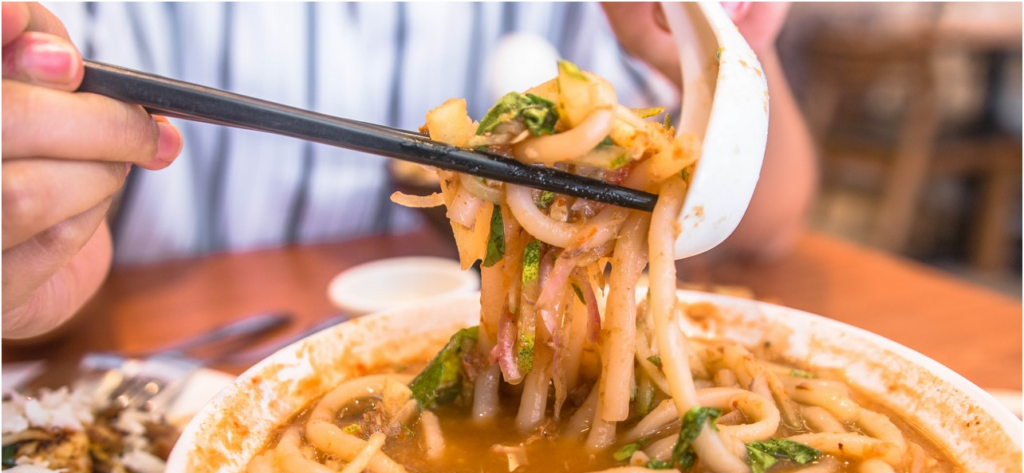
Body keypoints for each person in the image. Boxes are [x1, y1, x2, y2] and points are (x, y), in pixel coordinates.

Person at [1, 2, 816, 339]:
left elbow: (765, 217)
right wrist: (35, 231)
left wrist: (725, 54)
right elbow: (41, 96)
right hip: (159, 336)